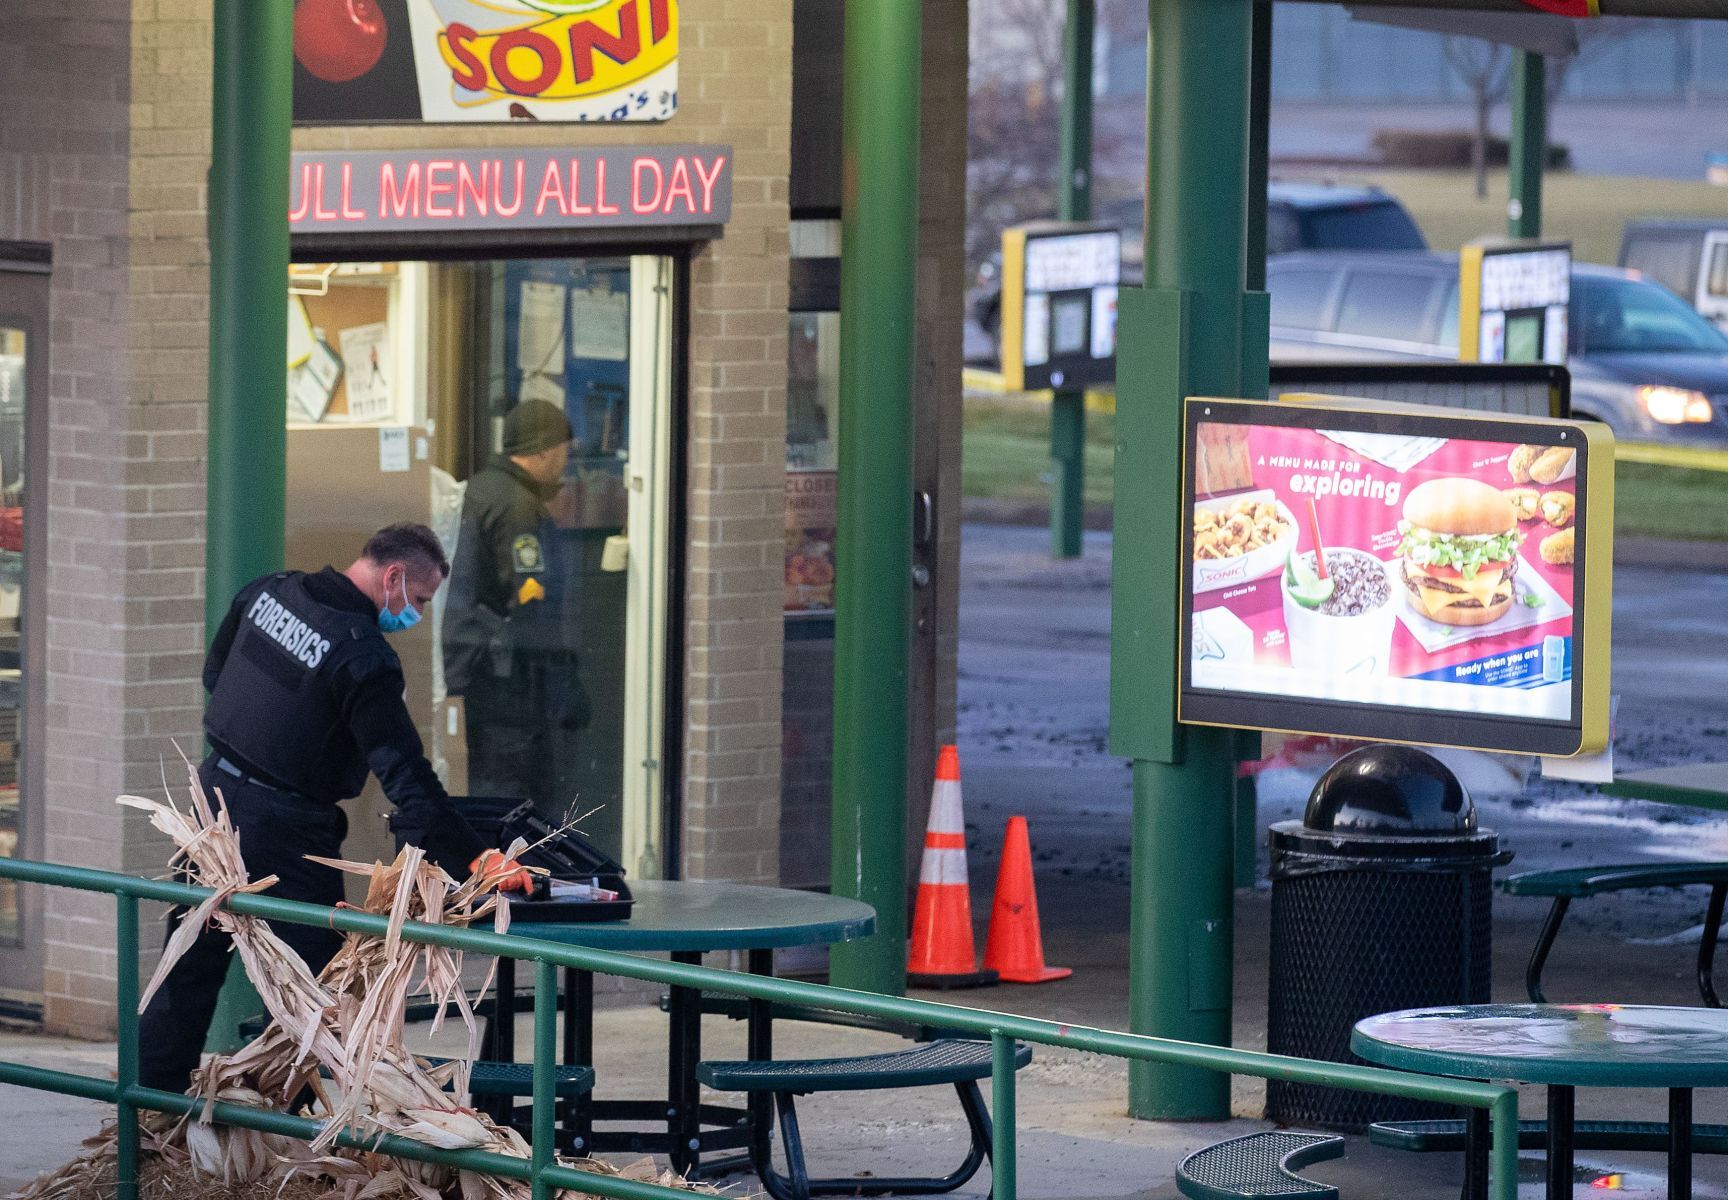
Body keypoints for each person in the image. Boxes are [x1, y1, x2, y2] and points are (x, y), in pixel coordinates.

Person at [138, 523, 528, 1094]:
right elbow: (406, 775)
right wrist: (476, 857)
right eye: (418, 599)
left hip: (214, 803)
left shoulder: (269, 591)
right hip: (287, 828)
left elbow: (215, 676)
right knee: (318, 987)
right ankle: (281, 1123)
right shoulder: (362, 656)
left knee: (188, 964)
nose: (416, 612)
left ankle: (152, 1113)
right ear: (393, 577)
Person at [443, 399, 589, 808]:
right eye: (563, 451)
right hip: (507, 683)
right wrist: (561, 682)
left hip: (475, 670)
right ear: (543, 449)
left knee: (488, 788)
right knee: (512, 797)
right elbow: (530, 600)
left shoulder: (482, 487)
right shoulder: (518, 507)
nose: (565, 462)